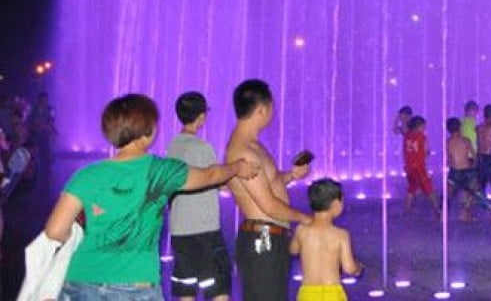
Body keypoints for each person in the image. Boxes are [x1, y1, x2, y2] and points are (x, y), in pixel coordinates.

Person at [43, 94, 258, 300]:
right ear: (148, 130)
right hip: (134, 286)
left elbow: (54, 231)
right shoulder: (160, 171)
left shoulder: (86, 175)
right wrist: (238, 167)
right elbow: (210, 174)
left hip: (80, 282)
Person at [226, 80, 313, 301]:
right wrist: (304, 218)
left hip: (268, 240)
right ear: (262, 109)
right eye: (272, 107)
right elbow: (268, 205)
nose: (273, 113)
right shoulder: (244, 152)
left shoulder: (252, 146)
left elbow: (271, 183)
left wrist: (292, 175)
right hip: (262, 240)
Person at [167, 92, 231, 301]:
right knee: (218, 288)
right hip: (205, 229)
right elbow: (214, 178)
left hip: (179, 230)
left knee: (186, 287)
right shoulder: (203, 148)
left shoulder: (172, 147)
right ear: (202, 117)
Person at [290, 179, 363, 301]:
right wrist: (358, 268)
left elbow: (293, 250)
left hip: (308, 292)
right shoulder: (341, 235)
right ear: (335, 205)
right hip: (332, 292)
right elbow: (349, 268)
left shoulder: (301, 230)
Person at [445, 117, 491, 224]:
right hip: (467, 172)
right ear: (459, 128)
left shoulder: (448, 142)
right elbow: (474, 157)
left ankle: (443, 219)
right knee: (478, 194)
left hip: (454, 173)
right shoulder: (466, 141)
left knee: (448, 196)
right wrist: (473, 167)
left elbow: (449, 160)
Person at [403, 116, 440, 216]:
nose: (425, 129)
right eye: (424, 126)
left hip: (409, 167)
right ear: (418, 126)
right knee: (429, 188)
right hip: (419, 167)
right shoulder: (422, 137)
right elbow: (426, 152)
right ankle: (438, 210)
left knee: (412, 187)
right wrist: (427, 152)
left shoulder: (407, 136)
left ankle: (407, 209)